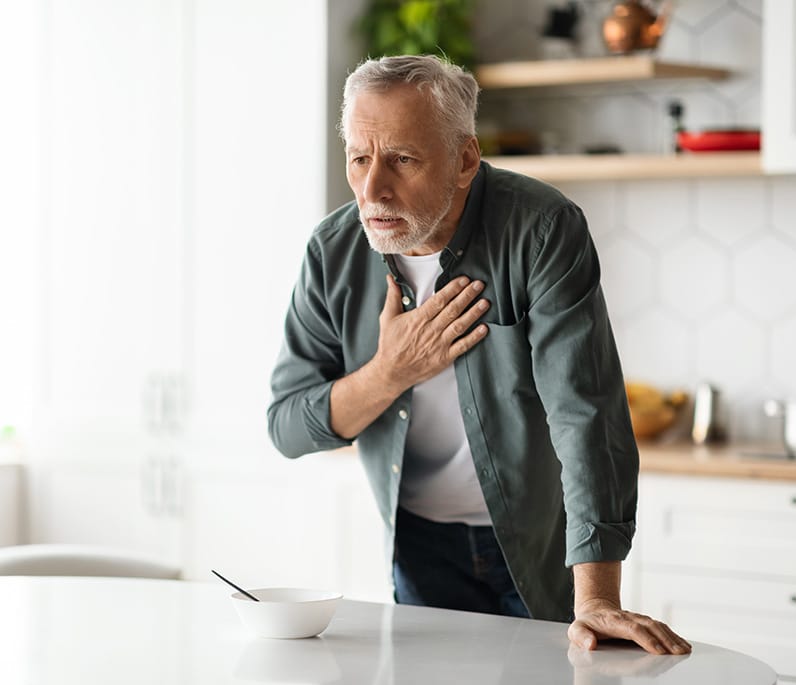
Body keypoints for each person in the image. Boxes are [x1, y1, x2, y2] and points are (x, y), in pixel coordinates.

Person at [267, 54, 690, 656]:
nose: (372, 189)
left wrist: (597, 601)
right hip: (417, 547)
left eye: (402, 159)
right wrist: (390, 372)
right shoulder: (332, 251)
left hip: (541, 546)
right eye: (359, 158)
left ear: (465, 160)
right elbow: (287, 427)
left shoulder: (542, 229)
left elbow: (585, 414)